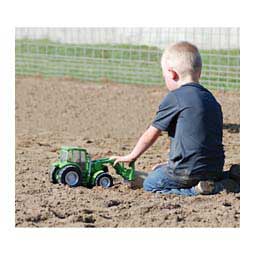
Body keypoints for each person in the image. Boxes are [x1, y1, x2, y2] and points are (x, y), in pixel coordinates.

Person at [111, 41, 239, 196]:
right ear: (199, 72)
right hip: (213, 169)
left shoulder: (175, 97)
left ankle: (195, 191)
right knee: (163, 170)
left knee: (152, 184)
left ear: (172, 73)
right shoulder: (211, 99)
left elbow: (152, 133)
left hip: (186, 172)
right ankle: (228, 179)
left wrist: (132, 156)